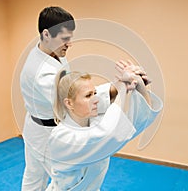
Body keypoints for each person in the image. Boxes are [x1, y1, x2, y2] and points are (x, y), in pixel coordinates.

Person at [20, 6, 118, 191]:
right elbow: (74, 96)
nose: (69, 43)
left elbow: (71, 87)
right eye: (65, 39)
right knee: (68, 184)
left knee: (34, 177)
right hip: (44, 134)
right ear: (47, 34)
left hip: (37, 126)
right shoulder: (41, 71)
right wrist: (117, 87)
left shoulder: (51, 53)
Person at [45, 60, 163, 191]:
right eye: (88, 95)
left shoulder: (95, 122)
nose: (96, 99)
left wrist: (138, 85)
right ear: (69, 103)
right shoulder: (62, 137)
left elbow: (137, 122)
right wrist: (123, 88)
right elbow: (109, 133)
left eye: (95, 93)